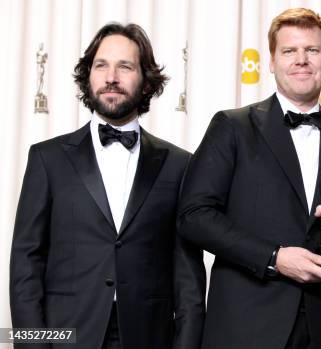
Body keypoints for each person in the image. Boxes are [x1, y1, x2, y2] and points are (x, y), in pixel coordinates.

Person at [177, 8, 321, 349]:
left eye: (312, 50)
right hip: (246, 328)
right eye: (289, 51)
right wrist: (274, 257)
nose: (301, 60)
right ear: (271, 61)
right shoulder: (232, 127)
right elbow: (193, 217)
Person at [10, 23, 206, 349]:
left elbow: (188, 277)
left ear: (146, 82)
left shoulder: (178, 164)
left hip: (148, 336)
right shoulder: (48, 159)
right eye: (101, 65)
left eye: (125, 66)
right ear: (89, 76)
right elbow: (26, 264)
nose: (111, 76)